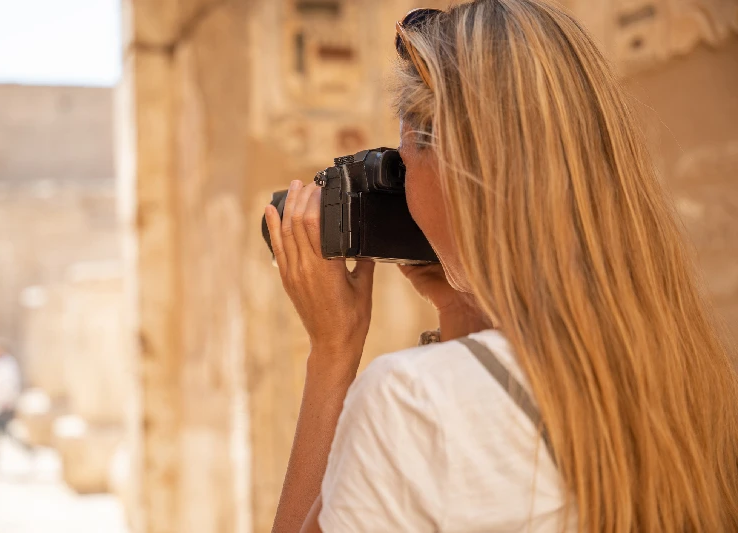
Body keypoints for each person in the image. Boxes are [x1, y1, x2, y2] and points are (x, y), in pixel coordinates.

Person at [264, 1, 738, 532]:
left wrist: (333, 352)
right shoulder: (687, 382)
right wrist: (456, 303)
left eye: (404, 161)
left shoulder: (413, 404)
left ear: (455, 165)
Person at [0, 337, 31, 473]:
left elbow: (8, 386)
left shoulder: (7, 364)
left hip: (2, 406)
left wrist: (6, 403)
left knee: (4, 433)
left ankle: (28, 449)